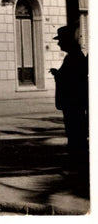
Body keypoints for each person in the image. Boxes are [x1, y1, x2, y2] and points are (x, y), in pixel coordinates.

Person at [49, 25, 89, 174]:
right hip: (73, 103)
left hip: (73, 103)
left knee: (75, 134)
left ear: (67, 41)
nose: (58, 44)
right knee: (75, 134)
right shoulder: (74, 56)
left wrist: (58, 76)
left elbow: (72, 80)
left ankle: (78, 166)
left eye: (60, 41)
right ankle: (77, 164)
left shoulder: (73, 57)